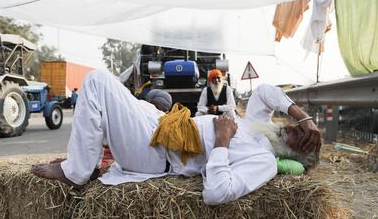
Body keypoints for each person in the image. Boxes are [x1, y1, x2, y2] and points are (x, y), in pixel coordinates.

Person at [32, 69, 321, 205]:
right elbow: (264, 92)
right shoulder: (260, 129)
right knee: (124, 100)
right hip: (163, 126)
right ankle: (85, 162)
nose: (293, 128)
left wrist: (221, 141)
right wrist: (303, 116)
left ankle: (76, 172)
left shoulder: (265, 161)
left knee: (96, 81)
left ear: (292, 155)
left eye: (300, 137)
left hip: (157, 153)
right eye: (297, 127)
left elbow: (217, 193)